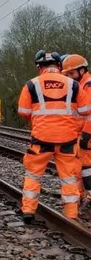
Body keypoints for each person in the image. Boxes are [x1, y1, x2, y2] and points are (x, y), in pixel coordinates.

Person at [18, 50, 91, 222]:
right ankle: (71, 214)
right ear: (59, 66)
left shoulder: (31, 84)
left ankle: (28, 210)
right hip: (68, 138)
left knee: (33, 174)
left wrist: (40, 116)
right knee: (69, 177)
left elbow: (23, 111)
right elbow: (85, 110)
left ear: (39, 67)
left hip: (41, 138)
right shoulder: (73, 84)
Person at [60, 54, 91, 204]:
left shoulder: (88, 86)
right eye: (68, 74)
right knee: (80, 167)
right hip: (82, 133)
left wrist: (87, 134)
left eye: (72, 73)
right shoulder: (81, 86)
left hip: (87, 133)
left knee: (86, 168)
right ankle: (79, 196)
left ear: (83, 70)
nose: (70, 77)